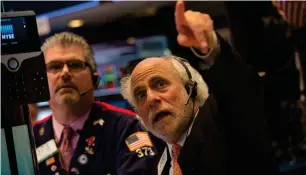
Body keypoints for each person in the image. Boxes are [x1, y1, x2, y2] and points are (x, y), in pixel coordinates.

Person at [120, 1, 279, 175]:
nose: (151, 98)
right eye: (141, 95)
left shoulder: (224, 123)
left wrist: (210, 46)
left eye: (160, 84)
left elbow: (239, 88)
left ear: (190, 88)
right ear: (138, 114)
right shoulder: (159, 163)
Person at [33, 32, 164, 175]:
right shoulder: (30, 138)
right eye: (54, 66)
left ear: (94, 79)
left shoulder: (127, 127)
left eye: (75, 65)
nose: (65, 73)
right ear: (41, 83)